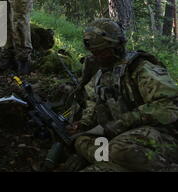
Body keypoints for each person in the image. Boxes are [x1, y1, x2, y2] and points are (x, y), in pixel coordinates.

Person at [66, 18, 178, 171]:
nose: (97, 57)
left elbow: (170, 105)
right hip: (123, 139)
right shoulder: (99, 76)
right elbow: (92, 107)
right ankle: (104, 160)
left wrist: (124, 121)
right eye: (94, 52)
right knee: (84, 143)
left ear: (116, 47)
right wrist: (83, 125)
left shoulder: (140, 68)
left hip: (163, 138)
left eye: (101, 52)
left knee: (118, 148)